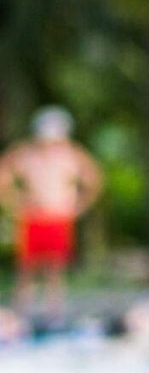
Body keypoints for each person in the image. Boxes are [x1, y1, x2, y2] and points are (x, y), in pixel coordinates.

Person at [0, 109, 105, 324]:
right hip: (33, 216)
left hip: (58, 217)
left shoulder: (71, 155)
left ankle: (53, 315)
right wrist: (15, 203)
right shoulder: (27, 154)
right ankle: (21, 315)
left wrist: (77, 206)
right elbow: (4, 176)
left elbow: (94, 179)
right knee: (26, 269)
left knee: (55, 270)